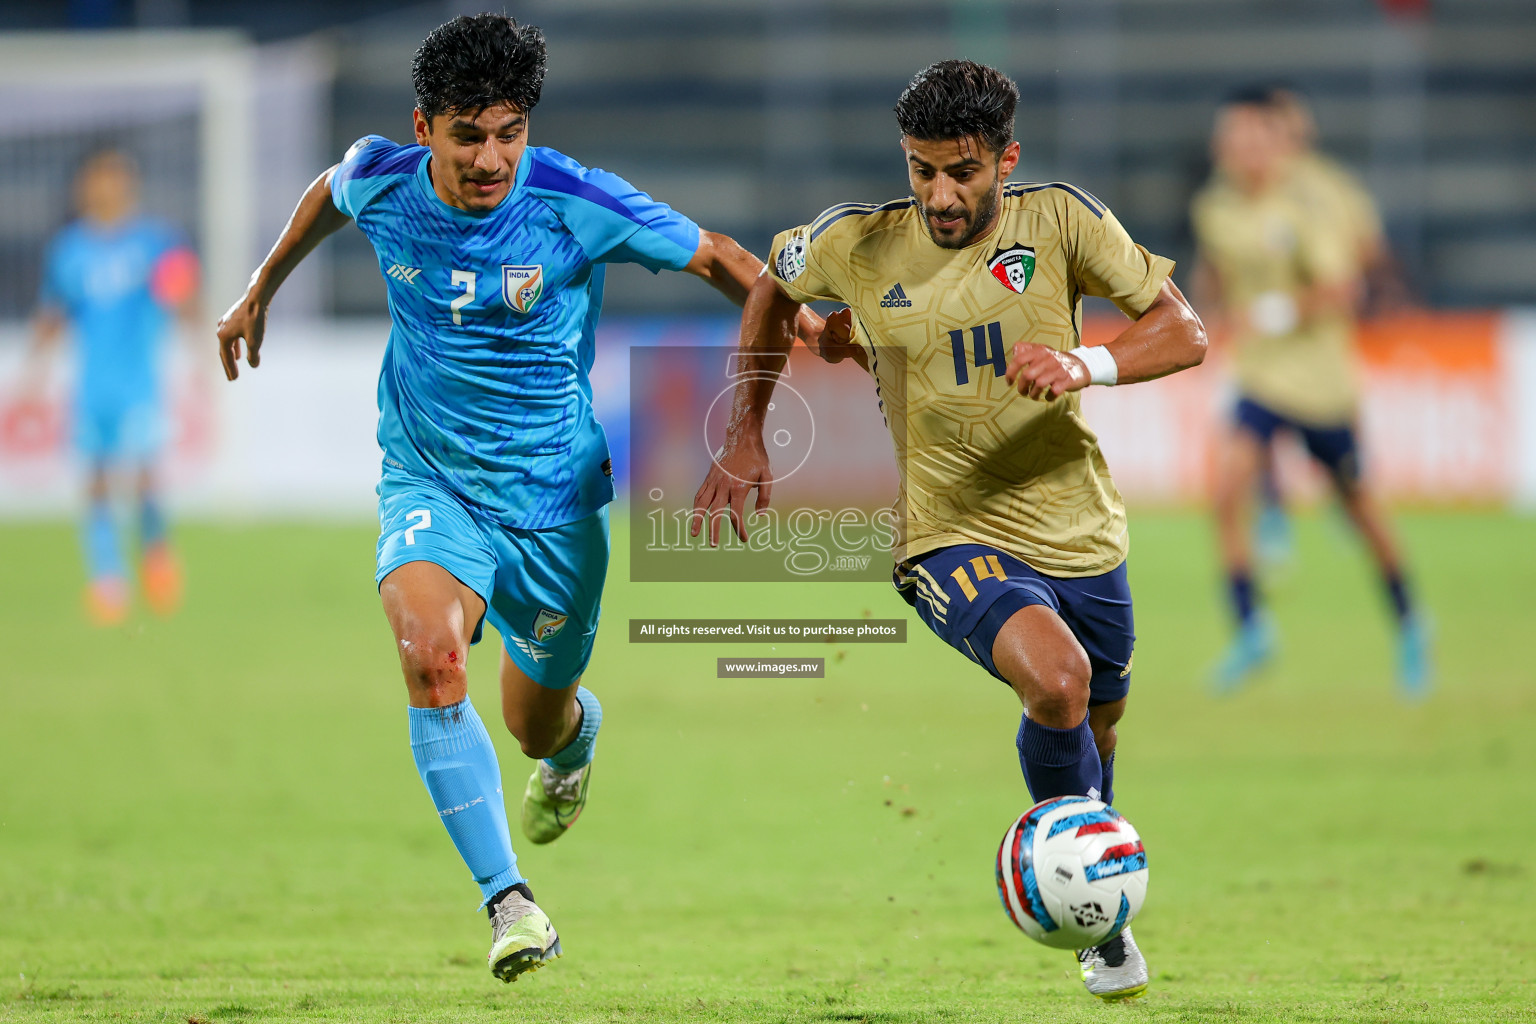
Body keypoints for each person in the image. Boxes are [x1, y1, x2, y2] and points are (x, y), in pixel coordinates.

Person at [214, 14, 830, 983]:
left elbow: (714, 255)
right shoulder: (383, 179)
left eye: (510, 132)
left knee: (531, 723)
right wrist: (259, 288)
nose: (492, 158)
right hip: (431, 477)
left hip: (555, 506)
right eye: (469, 135)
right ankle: (510, 903)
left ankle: (577, 735)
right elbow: (326, 195)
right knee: (429, 656)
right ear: (425, 129)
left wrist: (810, 330)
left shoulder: (571, 199)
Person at [692, 60, 1206, 1002]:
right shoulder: (859, 240)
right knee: (1057, 681)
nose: (939, 192)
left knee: (1098, 724)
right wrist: (746, 429)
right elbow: (771, 288)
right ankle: (1088, 906)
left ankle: (1089, 877)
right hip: (945, 530)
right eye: (922, 169)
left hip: (1081, 528)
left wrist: (1085, 365)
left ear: (1004, 160)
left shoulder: (1061, 222)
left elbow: (1183, 332)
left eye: (962, 171)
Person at [1191, 89, 1430, 697]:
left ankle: (1409, 621)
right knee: (1224, 490)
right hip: (1262, 377)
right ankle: (1252, 629)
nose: (1241, 149)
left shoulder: (1310, 201)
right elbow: (1215, 271)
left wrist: (1272, 311)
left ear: (1276, 142)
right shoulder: (1216, 205)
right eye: (1232, 138)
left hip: (1320, 382)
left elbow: (1345, 286)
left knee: (1359, 508)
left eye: (1252, 138)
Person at [24, 149, 195, 624]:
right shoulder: (69, 249)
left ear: (128, 184)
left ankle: (156, 554)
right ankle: (107, 580)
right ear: (85, 186)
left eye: (115, 177)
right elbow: (55, 312)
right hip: (92, 386)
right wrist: (32, 372)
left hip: (138, 382)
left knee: (143, 478)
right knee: (96, 481)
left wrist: (197, 333)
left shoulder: (154, 242)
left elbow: (181, 292)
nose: (106, 187)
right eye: (98, 178)